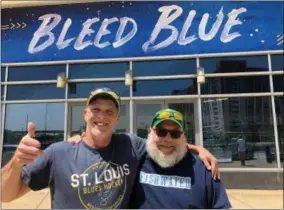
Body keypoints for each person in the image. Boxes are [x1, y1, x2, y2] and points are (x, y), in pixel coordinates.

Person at [2, 88, 219, 209]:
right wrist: (17, 161)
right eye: (96, 109)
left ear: (117, 117)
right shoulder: (60, 152)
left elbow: (164, 143)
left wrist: (198, 149)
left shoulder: (130, 145)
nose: (102, 116)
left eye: (109, 111)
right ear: (85, 114)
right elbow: (6, 196)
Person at [129, 108, 231, 209]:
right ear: (150, 132)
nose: (168, 139)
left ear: (182, 136)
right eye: (161, 132)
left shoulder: (204, 168)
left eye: (175, 134)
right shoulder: (136, 162)